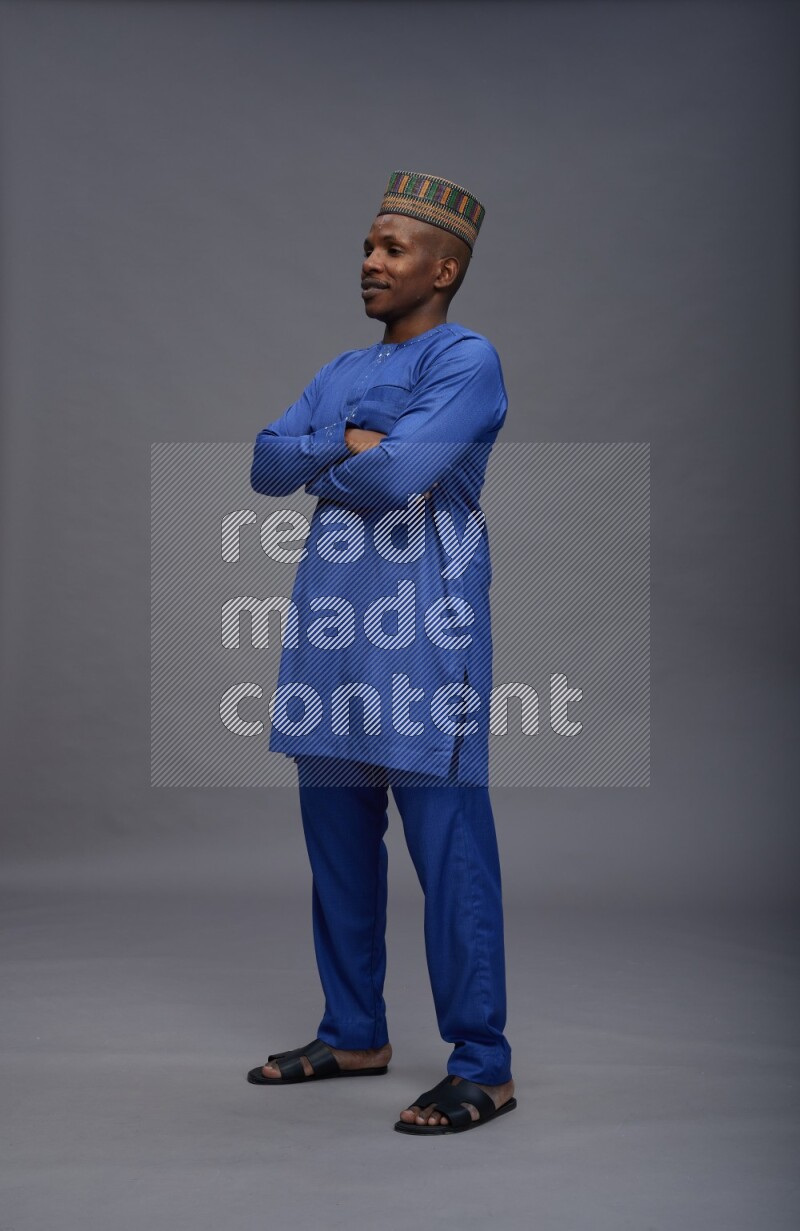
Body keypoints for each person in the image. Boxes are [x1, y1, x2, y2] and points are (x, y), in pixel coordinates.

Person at [247, 171, 516, 1135]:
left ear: (443, 269)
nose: (370, 261)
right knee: (338, 854)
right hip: (329, 642)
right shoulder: (339, 368)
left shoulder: (467, 359)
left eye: (392, 248)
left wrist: (341, 454)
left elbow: (401, 475)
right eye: (368, 245)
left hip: (423, 642)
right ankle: (354, 1030)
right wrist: (346, 438)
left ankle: (483, 1064)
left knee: (451, 856)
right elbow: (264, 462)